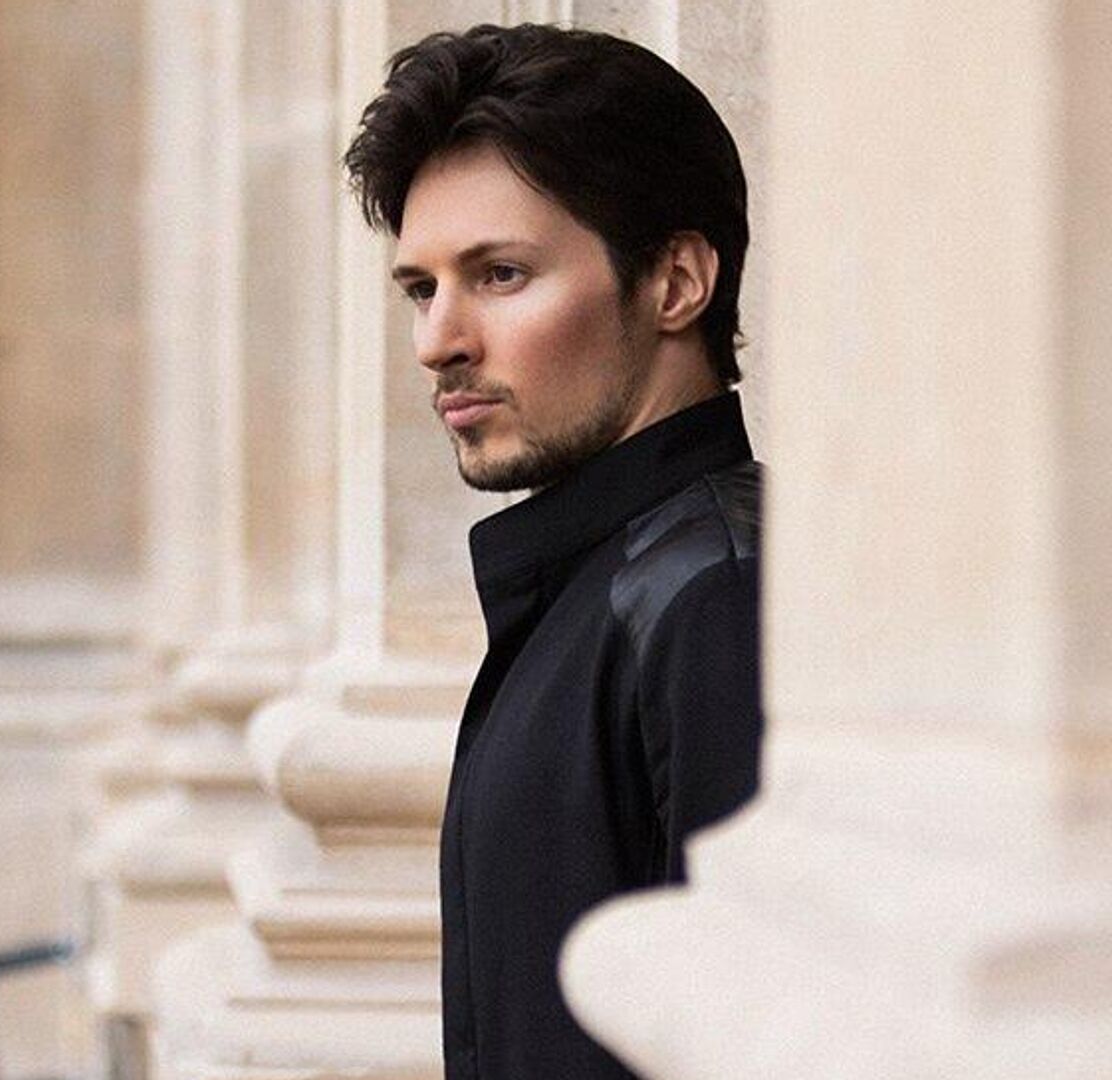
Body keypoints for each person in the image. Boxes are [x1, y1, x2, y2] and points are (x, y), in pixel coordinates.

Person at [343, 24, 763, 1080]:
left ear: (675, 283)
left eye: (500, 274)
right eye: (421, 289)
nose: (438, 341)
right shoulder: (602, 585)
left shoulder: (722, 598)